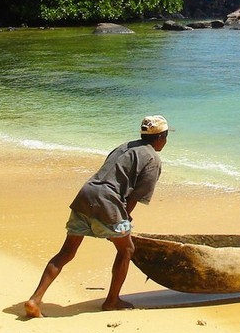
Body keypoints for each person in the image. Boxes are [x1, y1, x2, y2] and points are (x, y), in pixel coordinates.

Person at [24, 115, 169, 317]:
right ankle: (111, 301)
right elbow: (135, 196)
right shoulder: (152, 158)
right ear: (162, 137)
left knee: (66, 252)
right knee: (126, 249)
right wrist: (123, 219)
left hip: (86, 194)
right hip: (107, 201)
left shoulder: (125, 146)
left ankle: (35, 299)